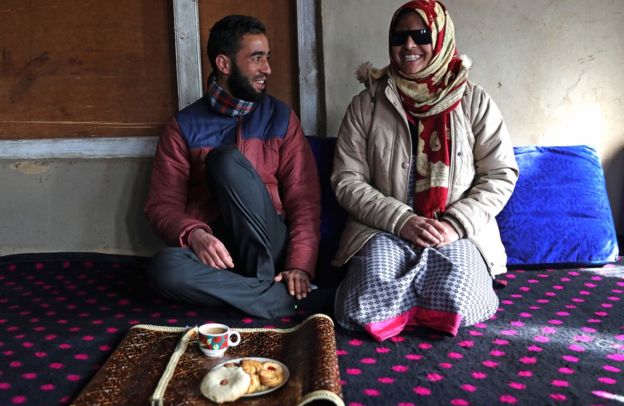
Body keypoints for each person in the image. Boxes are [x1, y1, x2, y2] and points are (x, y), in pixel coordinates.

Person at [331, 0, 519, 341]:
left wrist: (454, 224)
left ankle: (422, 311)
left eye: (420, 35)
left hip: (455, 228)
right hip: (383, 227)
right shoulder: (367, 103)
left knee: (459, 293)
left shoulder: (474, 101)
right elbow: (346, 179)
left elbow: (500, 174)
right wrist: (401, 220)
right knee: (368, 293)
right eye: (399, 37)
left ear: (441, 37)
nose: (408, 46)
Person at [145, 15, 321, 319]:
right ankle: (276, 299)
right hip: (218, 253)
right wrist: (195, 235)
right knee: (164, 267)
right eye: (256, 58)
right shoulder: (183, 126)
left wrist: (298, 266)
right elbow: (162, 205)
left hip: (270, 243)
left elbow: (303, 200)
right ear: (224, 64)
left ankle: (258, 286)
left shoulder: (281, 118)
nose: (267, 68)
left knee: (224, 161)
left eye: (267, 57)